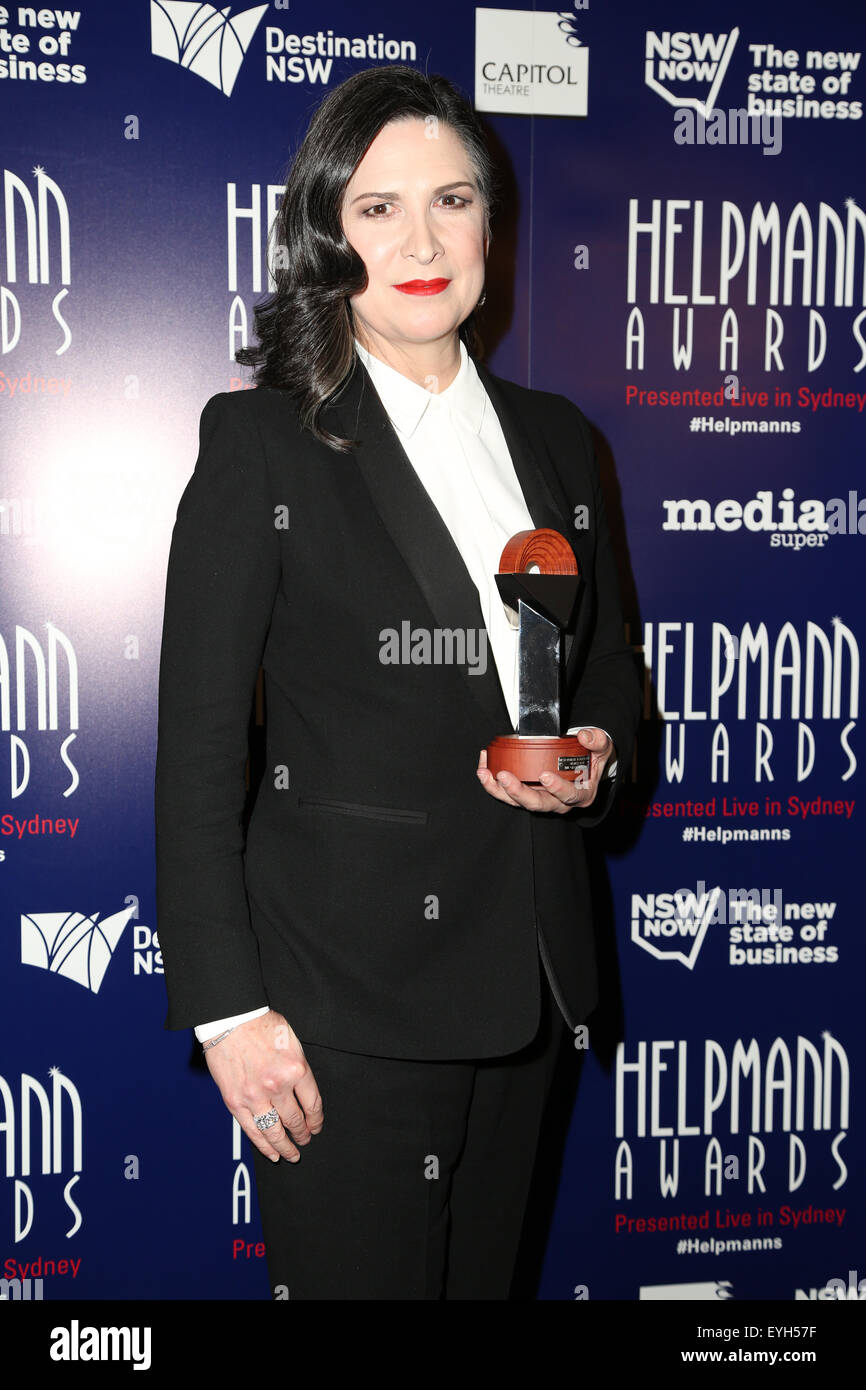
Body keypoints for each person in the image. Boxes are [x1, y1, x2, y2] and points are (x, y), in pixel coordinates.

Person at [154, 64, 640, 1301]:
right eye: (377, 209)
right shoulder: (261, 440)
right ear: (326, 231)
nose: (422, 241)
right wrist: (228, 1016)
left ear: (491, 225)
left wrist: (591, 757)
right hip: (340, 1020)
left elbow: (613, 686)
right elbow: (199, 753)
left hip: (527, 988)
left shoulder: (558, 439)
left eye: (453, 200)